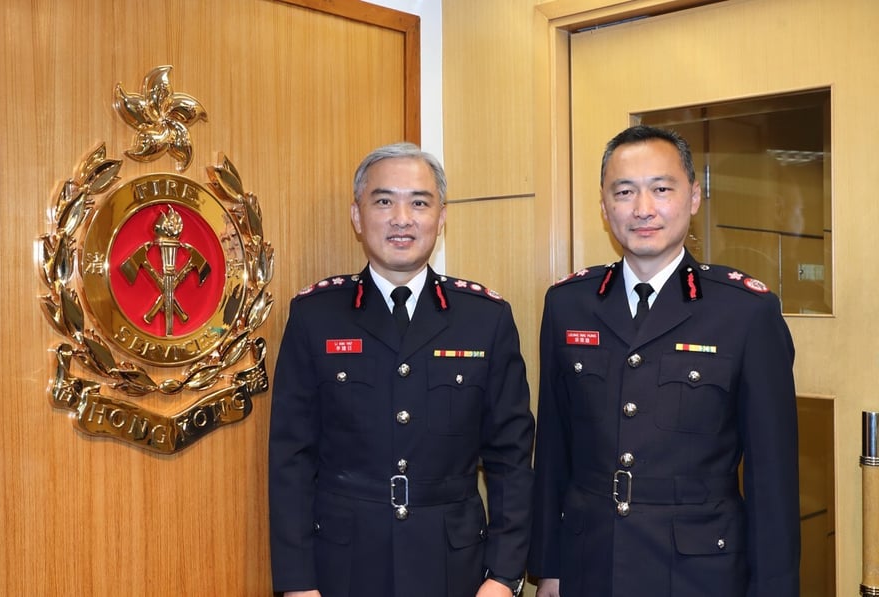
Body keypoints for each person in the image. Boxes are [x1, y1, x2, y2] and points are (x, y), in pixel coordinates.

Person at [529, 125, 800, 596]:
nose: (643, 209)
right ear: (604, 204)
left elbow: (771, 480)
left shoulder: (745, 311)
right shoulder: (567, 304)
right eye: (625, 191)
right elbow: (554, 448)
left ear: (693, 197)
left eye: (661, 189)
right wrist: (549, 567)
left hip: (700, 573)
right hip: (590, 564)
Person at [269, 142, 534, 597]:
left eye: (419, 202)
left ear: (442, 216)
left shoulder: (484, 318)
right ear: (357, 216)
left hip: (456, 568)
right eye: (384, 201)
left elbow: (511, 458)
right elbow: (291, 460)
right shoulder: (316, 316)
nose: (402, 218)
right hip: (344, 567)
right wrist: (297, 584)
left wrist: (504, 577)